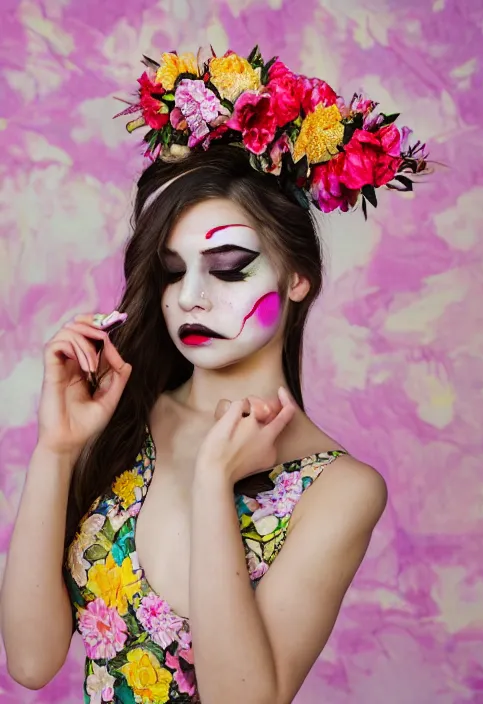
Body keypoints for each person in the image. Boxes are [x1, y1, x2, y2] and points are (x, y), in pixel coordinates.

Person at [1, 46, 427, 704]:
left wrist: (211, 483)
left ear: (296, 278)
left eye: (228, 266)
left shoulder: (339, 489)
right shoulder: (118, 415)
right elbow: (30, 661)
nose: (191, 297)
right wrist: (56, 449)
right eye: (173, 271)